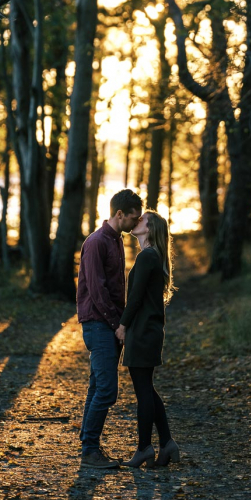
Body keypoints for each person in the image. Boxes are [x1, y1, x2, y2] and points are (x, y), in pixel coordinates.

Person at [77, 188, 143, 469]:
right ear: (119, 214)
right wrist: (118, 326)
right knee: (107, 389)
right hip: (98, 324)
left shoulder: (117, 241)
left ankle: (88, 443)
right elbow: (97, 290)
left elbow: (117, 290)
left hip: (111, 324)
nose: (135, 223)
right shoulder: (96, 242)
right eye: (132, 218)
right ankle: (90, 450)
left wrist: (123, 321)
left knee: (97, 385)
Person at [115, 209, 179, 469]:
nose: (137, 220)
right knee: (147, 391)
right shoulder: (153, 257)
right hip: (148, 331)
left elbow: (136, 298)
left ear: (150, 229)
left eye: (142, 220)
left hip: (142, 332)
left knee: (144, 392)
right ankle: (166, 443)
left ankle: (144, 448)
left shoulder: (147, 257)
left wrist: (122, 326)